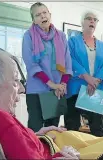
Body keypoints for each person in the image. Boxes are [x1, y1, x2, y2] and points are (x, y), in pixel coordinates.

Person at [0, 48, 79, 159]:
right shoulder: (3, 122)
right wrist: (64, 156)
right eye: (16, 80)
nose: (22, 89)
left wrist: (32, 135)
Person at [22, 2, 72, 132]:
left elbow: (67, 63)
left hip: (57, 91)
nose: (42, 16)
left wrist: (62, 85)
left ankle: (52, 153)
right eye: (38, 15)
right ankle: (35, 153)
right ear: (33, 20)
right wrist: (52, 84)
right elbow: (32, 65)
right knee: (36, 129)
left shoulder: (61, 35)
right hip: (36, 91)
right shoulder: (28, 36)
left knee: (53, 130)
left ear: (50, 15)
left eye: (44, 13)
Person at [64, 11, 103, 137]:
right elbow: (70, 60)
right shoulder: (72, 41)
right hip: (75, 88)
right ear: (82, 22)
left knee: (97, 128)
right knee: (72, 128)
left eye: (95, 19)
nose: (92, 21)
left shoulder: (102, 46)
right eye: (89, 18)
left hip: (95, 88)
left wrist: (95, 81)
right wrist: (86, 77)